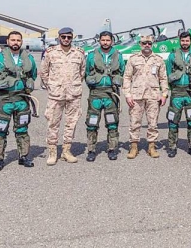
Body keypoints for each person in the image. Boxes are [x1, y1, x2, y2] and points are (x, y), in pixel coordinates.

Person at [0, 31, 38, 171]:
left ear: (21, 42)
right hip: (5, 99)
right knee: (0, 129)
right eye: (13, 40)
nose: (15, 42)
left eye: (18, 40)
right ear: (8, 41)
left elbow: (33, 74)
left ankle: (24, 156)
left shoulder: (29, 58)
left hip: (22, 99)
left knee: (22, 128)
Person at [41, 27, 86, 166]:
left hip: (73, 94)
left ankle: (66, 150)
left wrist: (73, 85)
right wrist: (52, 85)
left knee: (71, 123)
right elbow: (44, 72)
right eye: (64, 37)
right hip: (56, 94)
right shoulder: (51, 53)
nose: (66, 39)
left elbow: (82, 72)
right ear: (59, 37)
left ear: (72, 38)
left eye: (69, 37)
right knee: (53, 123)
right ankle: (53, 151)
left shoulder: (79, 53)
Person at [122, 35, 168, 159]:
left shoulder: (158, 60)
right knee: (134, 122)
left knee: (153, 122)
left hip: (153, 96)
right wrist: (127, 95)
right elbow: (127, 77)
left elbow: (163, 78)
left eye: (149, 43)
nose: (147, 45)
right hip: (136, 96)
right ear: (140, 44)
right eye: (144, 43)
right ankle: (134, 146)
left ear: (152, 44)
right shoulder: (133, 59)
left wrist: (164, 94)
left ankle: (151, 147)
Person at [84, 31, 126, 161]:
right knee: (92, 123)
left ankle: (112, 149)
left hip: (111, 93)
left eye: (108, 40)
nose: (105, 42)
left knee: (112, 122)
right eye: (103, 40)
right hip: (95, 93)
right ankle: (91, 150)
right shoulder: (91, 56)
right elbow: (87, 73)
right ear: (99, 41)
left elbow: (122, 71)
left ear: (112, 41)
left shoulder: (118, 56)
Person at [165, 31, 191, 158]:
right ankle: (172, 147)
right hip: (176, 92)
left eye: (187, 41)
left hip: (190, 92)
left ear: (190, 41)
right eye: (183, 41)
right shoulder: (172, 55)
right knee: (173, 120)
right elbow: (168, 71)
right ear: (179, 41)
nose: (185, 43)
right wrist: (173, 86)